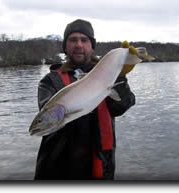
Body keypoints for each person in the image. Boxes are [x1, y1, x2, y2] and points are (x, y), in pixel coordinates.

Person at [34, 19, 135, 180]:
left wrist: (120, 75)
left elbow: (121, 106)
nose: (79, 45)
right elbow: (48, 117)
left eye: (84, 40)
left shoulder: (109, 75)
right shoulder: (49, 81)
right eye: (73, 40)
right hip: (58, 170)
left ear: (92, 45)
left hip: (101, 165)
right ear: (65, 46)